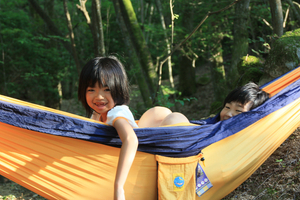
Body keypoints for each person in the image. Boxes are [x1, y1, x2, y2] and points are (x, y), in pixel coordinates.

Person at [78, 56, 138, 200]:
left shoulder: (115, 113)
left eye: (107, 89)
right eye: (91, 89)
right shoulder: (97, 114)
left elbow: (131, 140)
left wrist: (118, 187)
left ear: (119, 89)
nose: (99, 96)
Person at [138, 82, 269, 127]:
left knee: (174, 118)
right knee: (158, 112)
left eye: (238, 111)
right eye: (227, 107)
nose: (229, 113)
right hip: (200, 132)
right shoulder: (216, 121)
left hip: (198, 144)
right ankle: (138, 138)